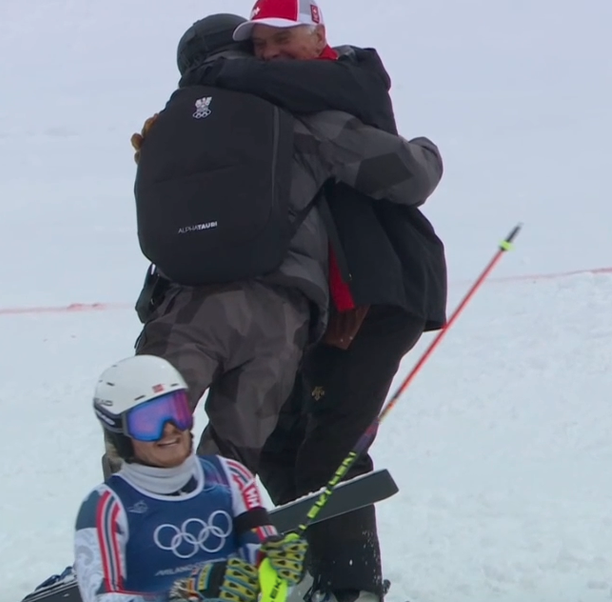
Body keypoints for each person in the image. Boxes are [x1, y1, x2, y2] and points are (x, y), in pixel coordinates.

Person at [180, 1, 449, 601]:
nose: (271, 54)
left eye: (284, 38)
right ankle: (314, 567)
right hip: (313, 305)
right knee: (279, 441)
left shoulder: (337, 85)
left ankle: (352, 587)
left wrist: (426, 152)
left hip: (376, 292)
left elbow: (409, 175)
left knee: (327, 448)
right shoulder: (267, 107)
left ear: (319, 34)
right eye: (261, 45)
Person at [125, 13, 443, 490]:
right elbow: (407, 176)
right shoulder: (292, 115)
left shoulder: (164, 131)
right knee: (233, 457)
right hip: (276, 312)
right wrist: (426, 149)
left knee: (146, 431)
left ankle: (130, 543)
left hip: (180, 307)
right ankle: (214, 544)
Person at [75, 354, 307, 602]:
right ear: (120, 433)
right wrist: (182, 592)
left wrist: (280, 564)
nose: (169, 428)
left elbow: (261, 566)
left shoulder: (230, 478)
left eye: (176, 411)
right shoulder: (105, 506)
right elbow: (100, 598)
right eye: (149, 420)